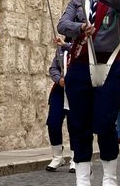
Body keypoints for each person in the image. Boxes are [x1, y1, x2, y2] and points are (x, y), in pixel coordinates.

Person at [57, 0, 120, 186]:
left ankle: (109, 177)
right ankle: (83, 177)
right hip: (80, 67)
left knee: (105, 123)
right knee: (78, 124)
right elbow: (62, 25)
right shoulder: (76, 1)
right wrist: (80, 27)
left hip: (109, 66)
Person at [46, 37, 76, 172]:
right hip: (60, 90)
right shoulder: (60, 50)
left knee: (75, 125)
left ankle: (76, 157)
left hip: (77, 91)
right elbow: (53, 68)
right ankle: (57, 156)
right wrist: (59, 79)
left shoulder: (84, 47)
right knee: (53, 122)